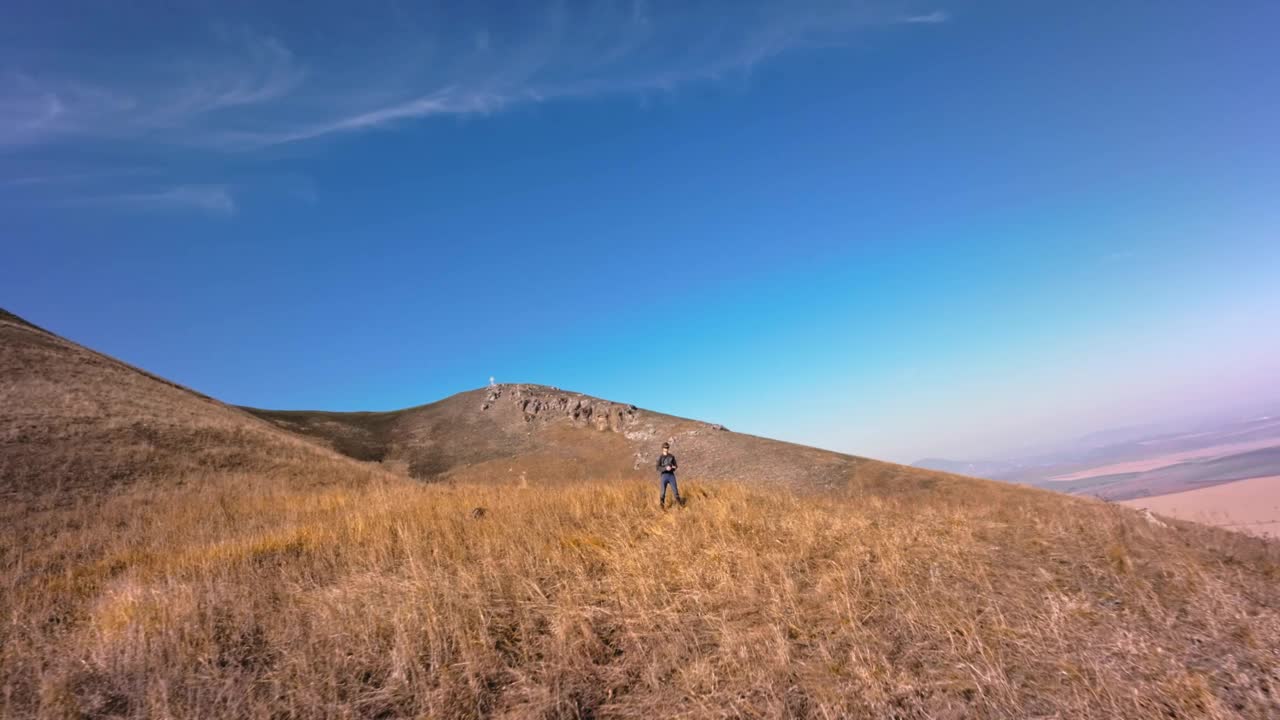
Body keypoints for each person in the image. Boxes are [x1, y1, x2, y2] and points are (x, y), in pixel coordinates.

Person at [656, 442, 684, 509]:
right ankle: (662, 507)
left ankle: (681, 506)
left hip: (671, 475)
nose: (666, 449)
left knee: (675, 491)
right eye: (665, 448)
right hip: (664, 475)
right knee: (662, 492)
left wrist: (673, 467)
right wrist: (665, 468)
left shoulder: (671, 456)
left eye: (667, 447)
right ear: (662, 448)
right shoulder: (660, 457)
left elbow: (676, 466)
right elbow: (657, 468)